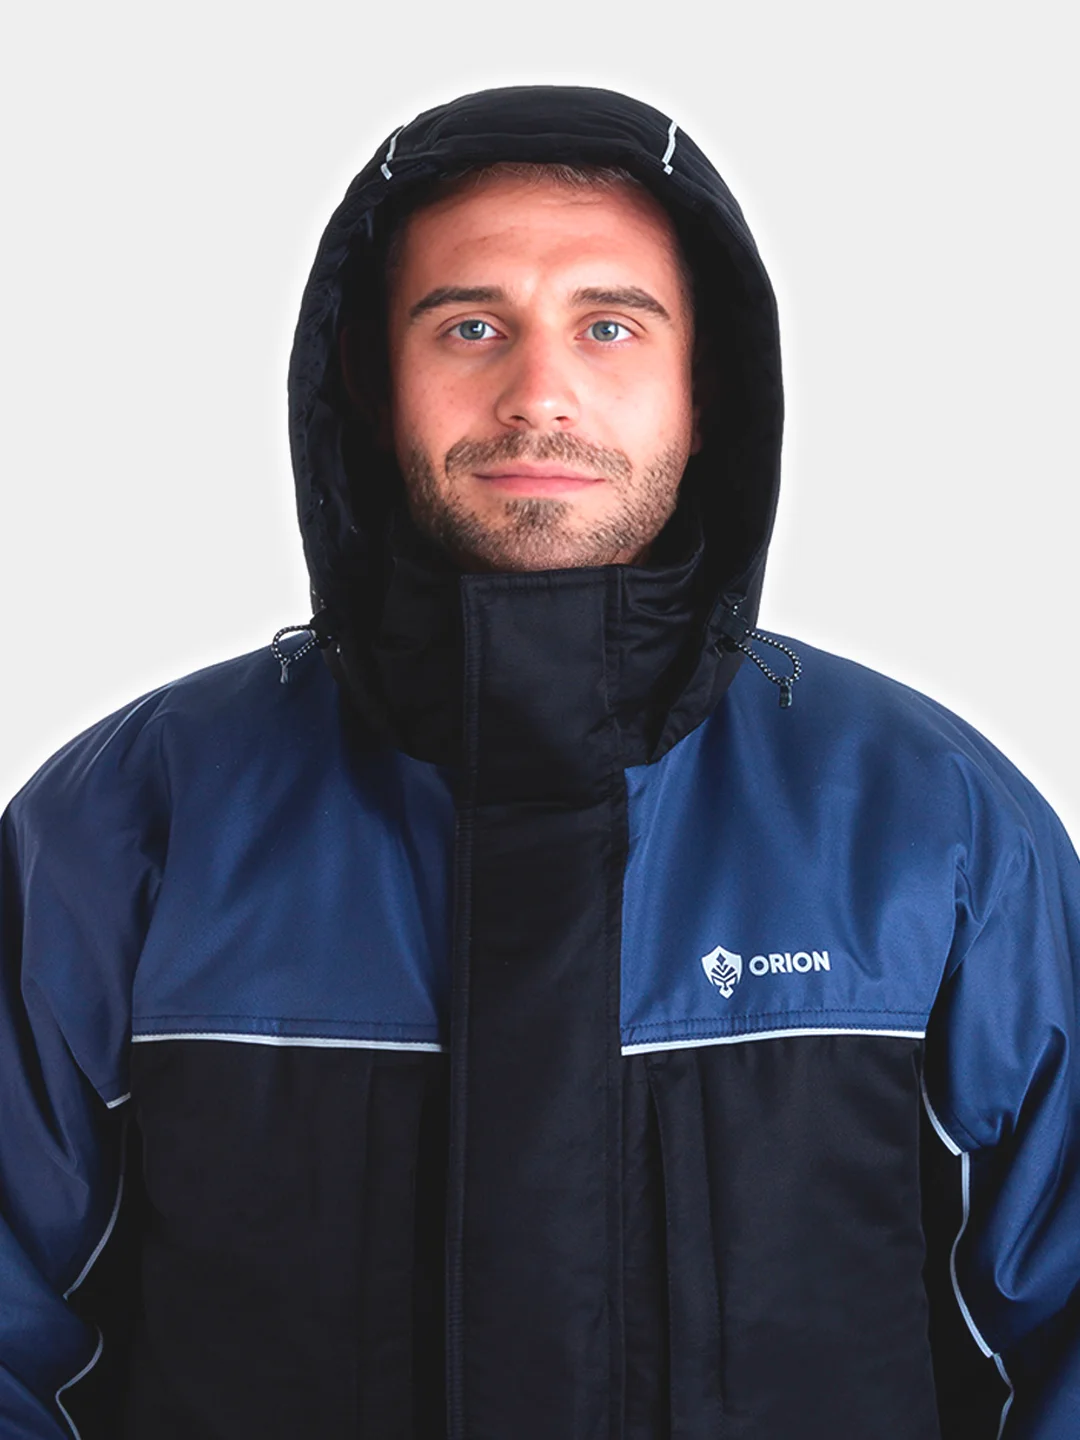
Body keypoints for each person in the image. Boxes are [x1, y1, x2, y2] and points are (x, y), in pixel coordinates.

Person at [1, 83, 1077, 1440]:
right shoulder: (130, 823)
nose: (539, 394)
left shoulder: (931, 825)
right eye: (470, 326)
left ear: (707, 387)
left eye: (610, 326)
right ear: (366, 379)